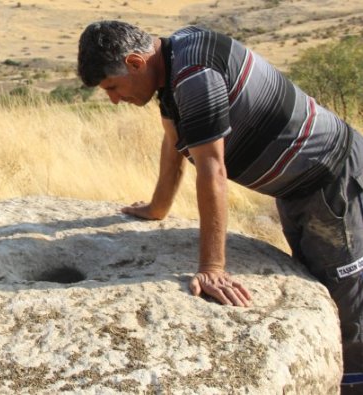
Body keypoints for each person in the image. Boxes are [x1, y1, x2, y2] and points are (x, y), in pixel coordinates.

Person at [77, 21, 362, 394]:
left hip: (329, 178)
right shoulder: (172, 62)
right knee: (317, 279)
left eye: (112, 87)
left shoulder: (194, 75)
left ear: (135, 62)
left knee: (346, 294)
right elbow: (173, 138)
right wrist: (157, 206)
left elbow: (212, 169)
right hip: (296, 187)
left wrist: (212, 268)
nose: (114, 99)